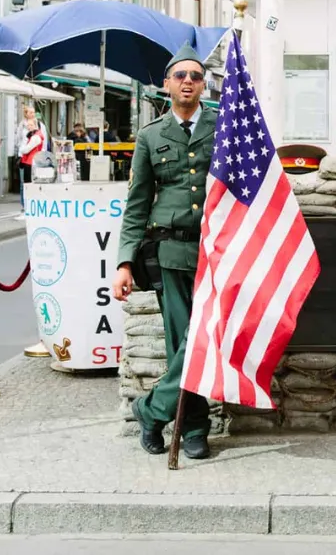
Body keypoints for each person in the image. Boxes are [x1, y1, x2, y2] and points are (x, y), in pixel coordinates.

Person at [112, 45, 218, 461]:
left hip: (215, 252)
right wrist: (124, 262)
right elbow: (137, 204)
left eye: (196, 75)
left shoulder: (224, 128)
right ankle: (193, 427)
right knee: (183, 345)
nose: (189, 81)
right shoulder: (151, 136)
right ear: (167, 84)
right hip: (170, 253)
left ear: (203, 83)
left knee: (203, 341)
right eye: (181, 76)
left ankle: (151, 410)